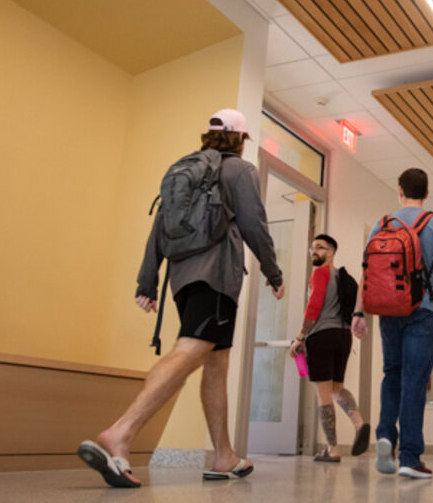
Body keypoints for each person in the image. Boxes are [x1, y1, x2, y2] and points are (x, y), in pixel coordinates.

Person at [77, 109, 285, 488]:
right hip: (217, 277)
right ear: (240, 139)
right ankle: (121, 432)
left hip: (182, 278)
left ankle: (224, 456)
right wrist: (274, 273)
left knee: (216, 362)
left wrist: (147, 281)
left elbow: (158, 224)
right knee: (190, 349)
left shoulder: (185, 170)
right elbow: (254, 223)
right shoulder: (238, 170)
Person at [352, 168, 433, 480]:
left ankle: (386, 434)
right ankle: (410, 457)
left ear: (399, 190)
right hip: (424, 310)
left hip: (388, 310)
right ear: (426, 193)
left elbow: (368, 272)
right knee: (415, 381)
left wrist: (358, 313)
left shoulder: (383, 223)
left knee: (392, 374)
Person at [289, 234, 370, 462]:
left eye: (320, 247)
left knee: (323, 394)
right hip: (344, 336)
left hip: (322, 336)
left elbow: (314, 306)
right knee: (337, 388)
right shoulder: (343, 277)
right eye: (312, 247)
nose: (314, 251)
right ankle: (359, 423)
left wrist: (300, 336)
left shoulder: (320, 273)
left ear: (331, 252)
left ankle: (332, 449)